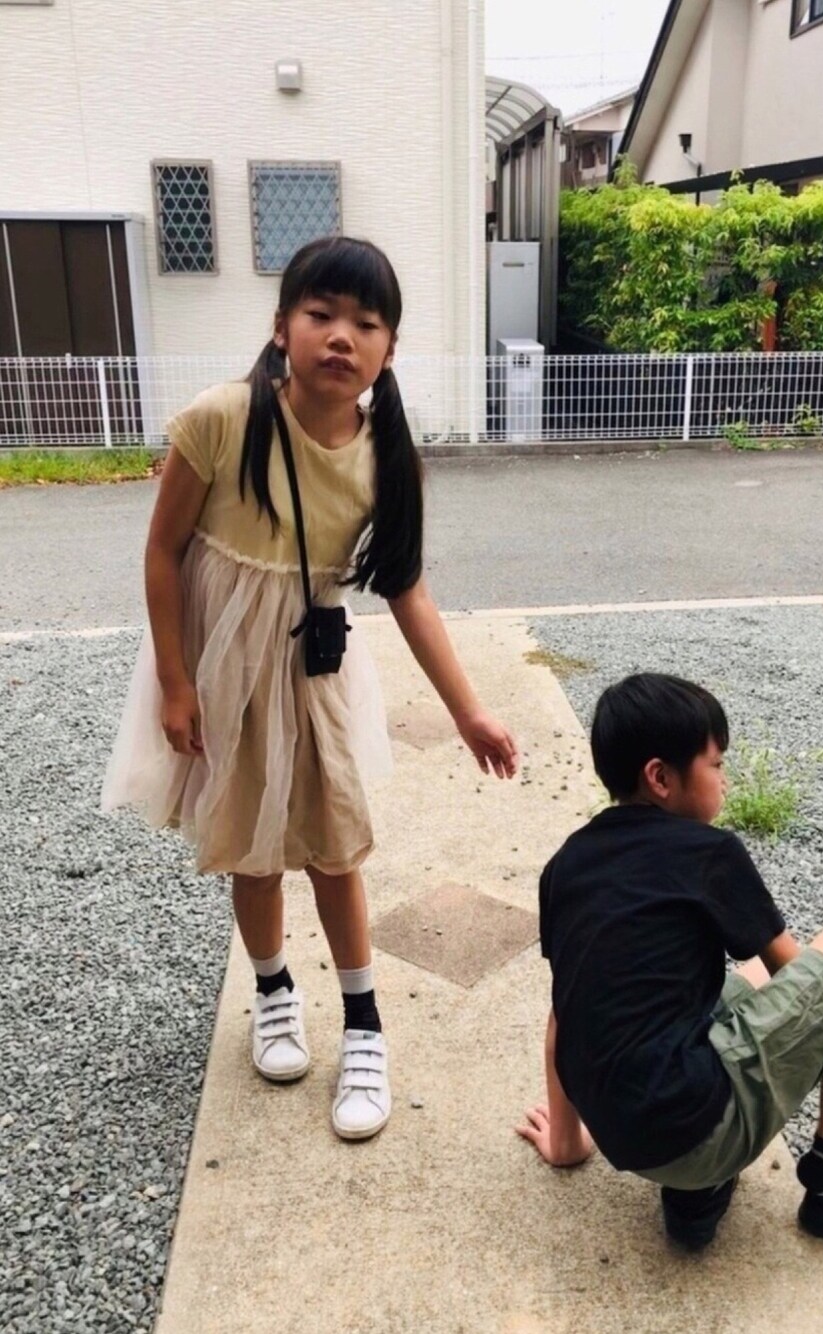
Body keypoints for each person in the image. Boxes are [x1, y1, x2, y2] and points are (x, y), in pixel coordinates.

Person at [103, 235, 517, 1142]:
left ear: (390, 349)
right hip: (221, 666)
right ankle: (273, 991)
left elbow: (406, 590)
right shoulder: (221, 419)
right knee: (253, 847)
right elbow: (163, 552)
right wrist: (175, 681)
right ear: (281, 325)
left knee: (335, 845)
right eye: (320, 314)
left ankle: (364, 1025)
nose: (340, 336)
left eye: (366, 323)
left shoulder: (386, 457)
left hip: (312, 665)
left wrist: (470, 711)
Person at [517, 673, 823, 1248]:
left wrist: (568, 1144)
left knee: (743, 981)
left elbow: (565, 1013)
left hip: (624, 1134)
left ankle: (700, 1189)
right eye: (716, 764)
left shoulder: (566, 865)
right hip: (693, 1129)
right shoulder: (708, 852)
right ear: (660, 777)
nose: (725, 779)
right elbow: (803, 977)